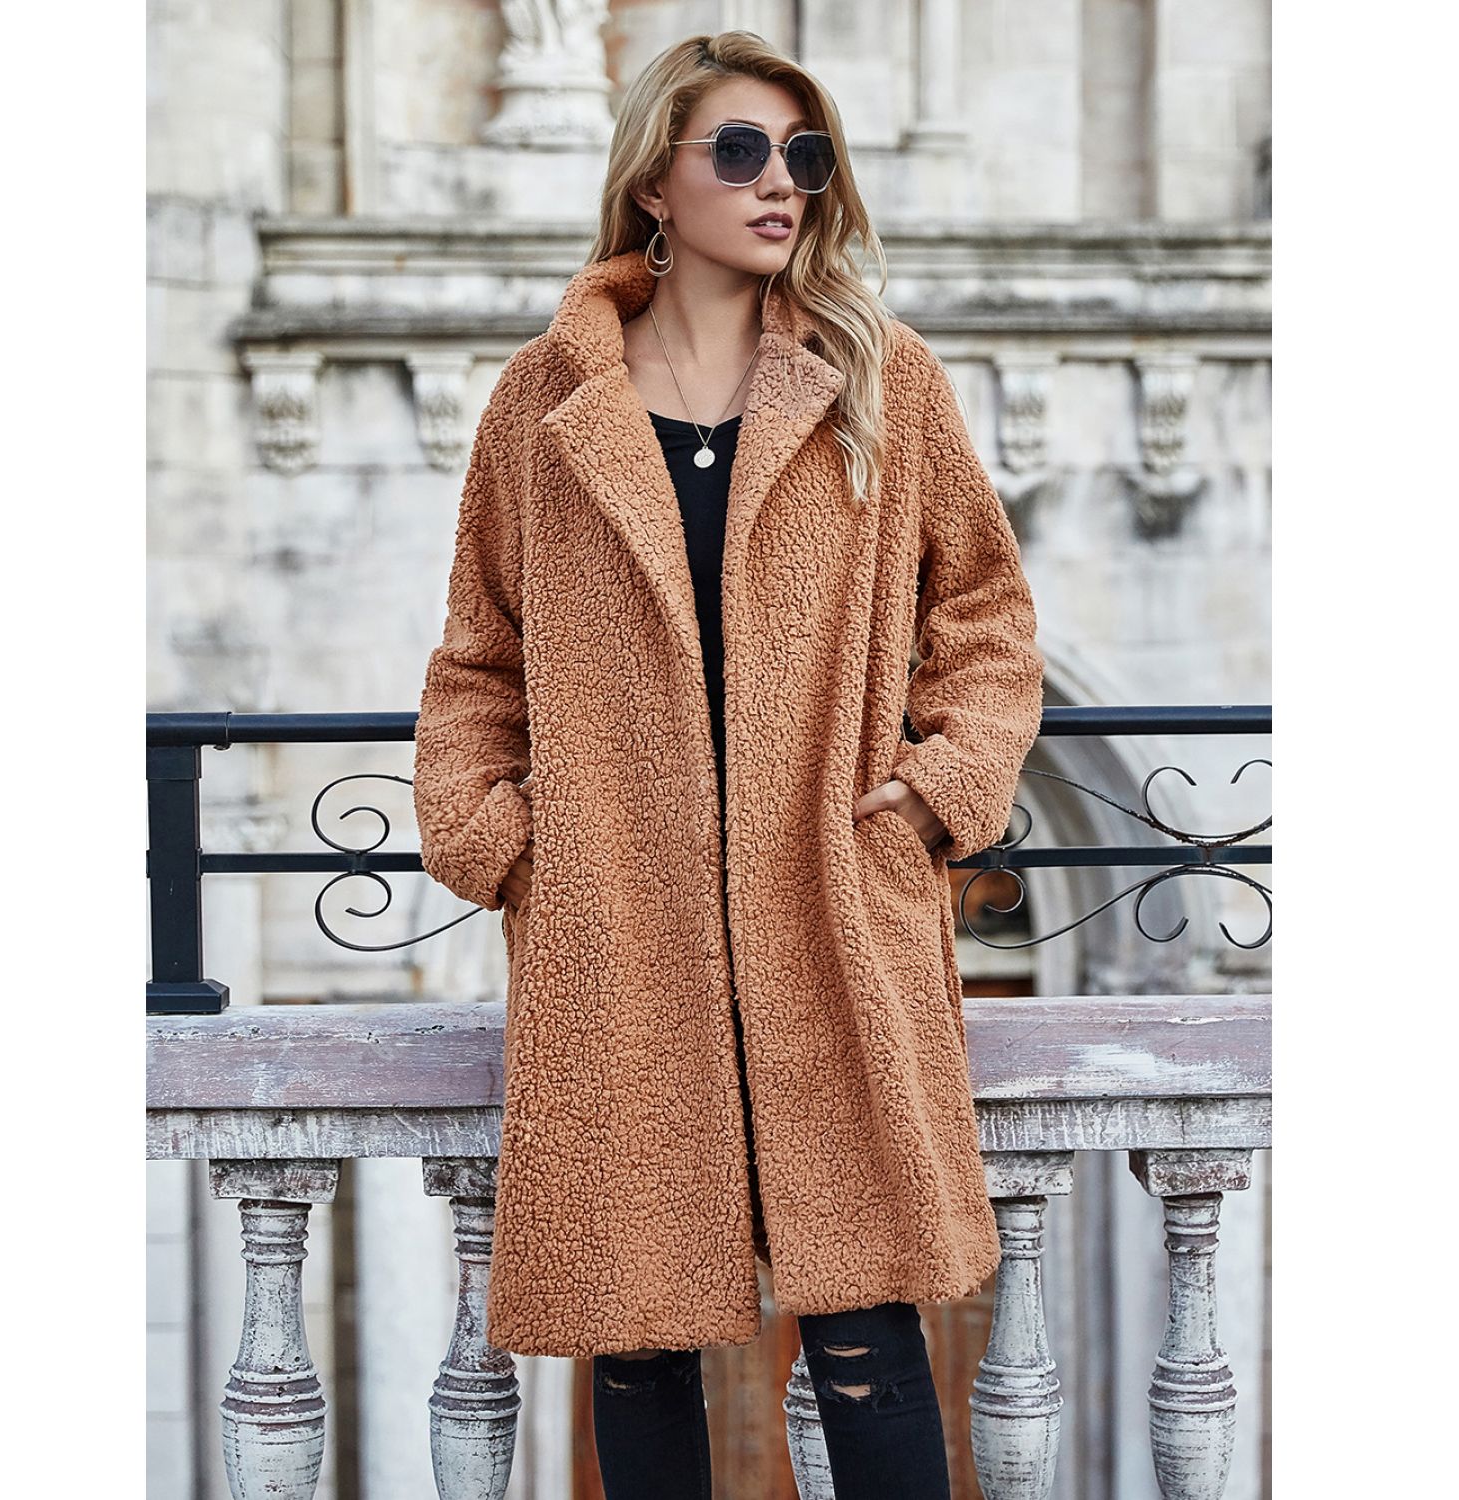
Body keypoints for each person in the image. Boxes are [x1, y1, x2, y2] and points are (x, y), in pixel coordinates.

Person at [412, 30, 1046, 1500]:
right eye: (744, 152)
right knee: (638, 1341)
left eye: (805, 157)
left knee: (870, 1329)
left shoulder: (876, 378)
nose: (782, 185)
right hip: (619, 930)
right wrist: (503, 839)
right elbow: (477, 661)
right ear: (655, 181)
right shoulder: (543, 405)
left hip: (830, 908)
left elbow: (988, 618)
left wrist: (939, 793)